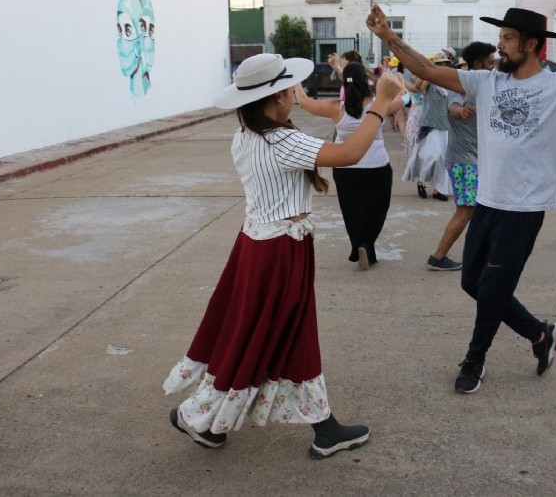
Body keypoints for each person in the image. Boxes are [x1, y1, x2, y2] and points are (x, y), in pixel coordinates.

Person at [367, 0, 556, 394]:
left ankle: (475, 361)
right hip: (488, 200)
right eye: (500, 36)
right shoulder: (485, 82)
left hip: (524, 207)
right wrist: (388, 36)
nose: (499, 44)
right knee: (473, 282)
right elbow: (428, 71)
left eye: (507, 37)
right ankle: (541, 335)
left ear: (532, 44)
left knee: (492, 290)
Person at [163, 53, 402, 457]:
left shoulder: (246, 135)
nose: (295, 95)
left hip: (257, 246)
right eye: (290, 91)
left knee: (258, 332)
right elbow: (348, 155)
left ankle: (221, 419)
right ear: (276, 100)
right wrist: (380, 103)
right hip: (278, 252)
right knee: (270, 334)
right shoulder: (281, 140)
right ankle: (204, 416)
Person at [295, 62, 403, 269]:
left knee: (352, 210)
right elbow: (404, 98)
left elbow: (305, 102)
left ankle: (359, 246)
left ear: (344, 83)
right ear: (365, 80)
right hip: (377, 167)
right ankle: (367, 243)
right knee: (377, 209)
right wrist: (398, 81)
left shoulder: (336, 108)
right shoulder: (379, 104)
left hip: (345, 168)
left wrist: (296, 83)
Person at [426, 41, 496, 271]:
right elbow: (453, 108)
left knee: (478, 209)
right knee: (467, 210)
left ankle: (483, 255)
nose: (494, 66)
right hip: (464, 160)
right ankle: (438, 257)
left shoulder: (486, 84)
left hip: (476, 159)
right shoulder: (461, 85)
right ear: (478, 64)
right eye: (490, 62)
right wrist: (461, 112)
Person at [401, 52, 455, 201]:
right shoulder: (429, 79)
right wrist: (426, 74)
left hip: (444, 125)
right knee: (430, 156)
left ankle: (438, 190)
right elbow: (418, 88)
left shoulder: (450, 82)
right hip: (430, 124)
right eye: (441, 64)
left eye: (446, 64)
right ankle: (421, 182)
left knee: (443, 158)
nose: (444, 66)